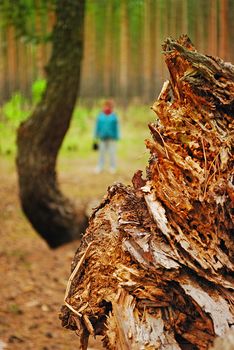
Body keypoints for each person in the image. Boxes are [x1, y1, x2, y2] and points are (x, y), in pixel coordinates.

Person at [94, 100, 120, 174]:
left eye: (109, 106)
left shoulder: (114, 116)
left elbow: (116, 127)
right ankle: (100, 166)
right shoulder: (100, 116)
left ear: (111, 107)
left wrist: (116, 136)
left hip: (112, 137)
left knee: (112, 153)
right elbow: (97, 126)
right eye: (106, 106)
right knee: (101, 153)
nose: (107, 107)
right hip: (102, 137)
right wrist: (96, 135)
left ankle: (112, 167)